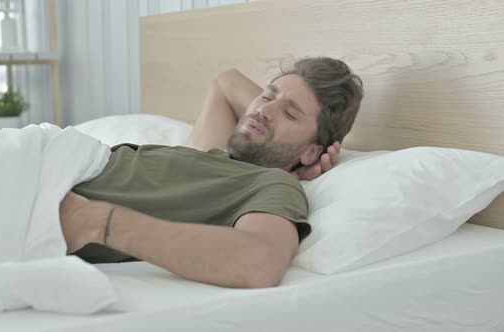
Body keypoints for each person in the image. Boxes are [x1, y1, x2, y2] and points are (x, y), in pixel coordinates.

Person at [60, 57, 363, 288]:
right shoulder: (210, 154)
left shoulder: (272, 185)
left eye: (290, 113)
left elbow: (260, 262)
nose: (262, 110)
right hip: (50, 159)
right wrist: (284, 120)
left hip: (53, 196)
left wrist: (98, 222)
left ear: (312, 152)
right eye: (267, 97)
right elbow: (226, 82)